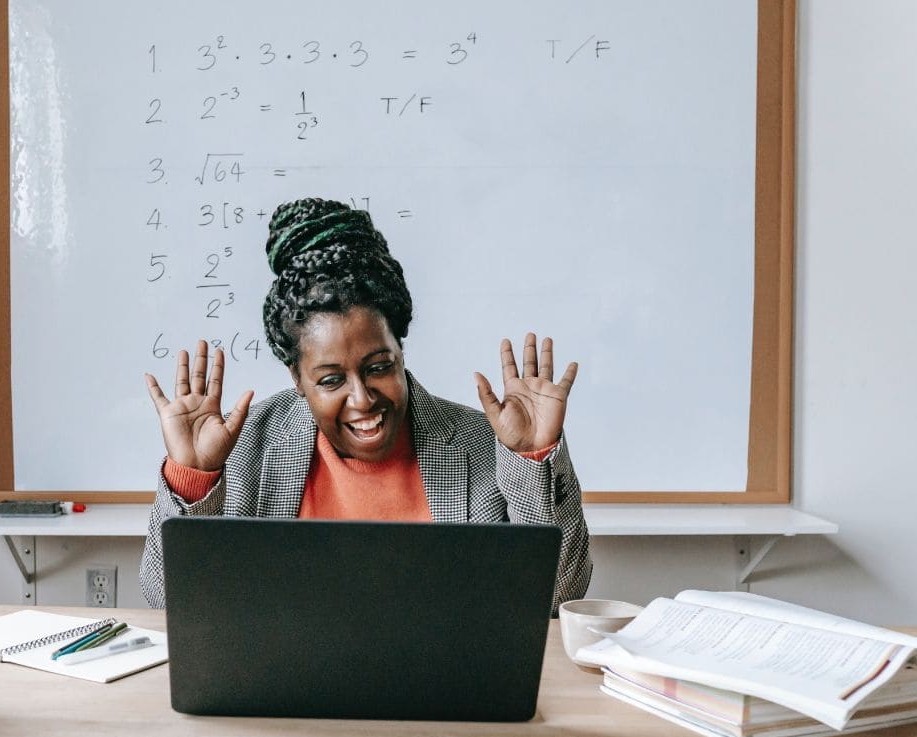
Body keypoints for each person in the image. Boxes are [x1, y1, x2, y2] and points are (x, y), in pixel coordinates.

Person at [139, 197, 591, 610]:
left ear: (400, 351)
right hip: (287, 696)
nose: (361, 398)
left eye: (378, 367)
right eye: (332, 379)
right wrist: (193, 480)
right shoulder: (244, 449)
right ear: (297, 379)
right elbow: (165, 604)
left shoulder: (484, 444)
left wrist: (533, 459)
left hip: (439, 693)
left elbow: (558, 598)